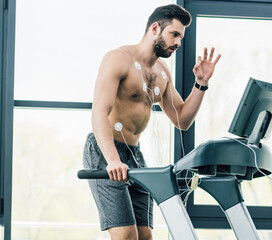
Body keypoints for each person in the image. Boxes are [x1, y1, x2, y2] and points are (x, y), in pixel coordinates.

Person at [82, 4, 220, 240]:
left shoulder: (162, 71)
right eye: (174, 34)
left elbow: (182, 120)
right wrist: (113, 160)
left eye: (181, 37)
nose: (178, 42)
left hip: (135, 155)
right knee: (126, 236)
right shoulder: (118, 59)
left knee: (145, 236)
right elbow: (98, 113)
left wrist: (201, 83)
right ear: (155, 28)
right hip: (106, 151)